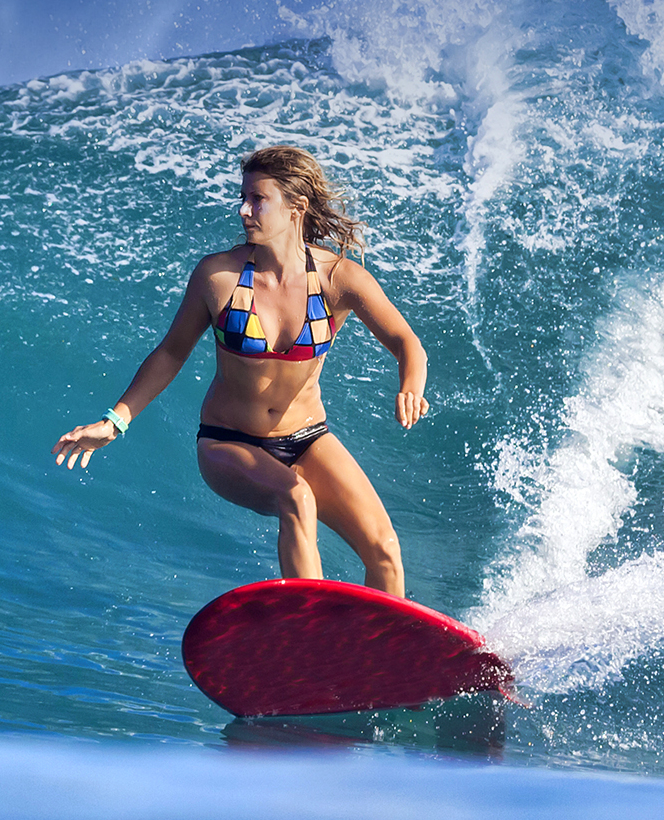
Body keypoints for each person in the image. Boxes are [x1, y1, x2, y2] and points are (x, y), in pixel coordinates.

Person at [51, 145, 428, 595]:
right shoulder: (219, 277)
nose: (244, 210)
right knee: (295, 498)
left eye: (257, 199)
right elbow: (171, 353)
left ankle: (385, 658)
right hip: (228, 442)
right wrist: (114, 422)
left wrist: (410, 384)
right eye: (242, 197)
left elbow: (408, 343)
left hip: (308, 438)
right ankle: (309, 636)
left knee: (384, 548)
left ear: (296, 208)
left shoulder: (337, 279)